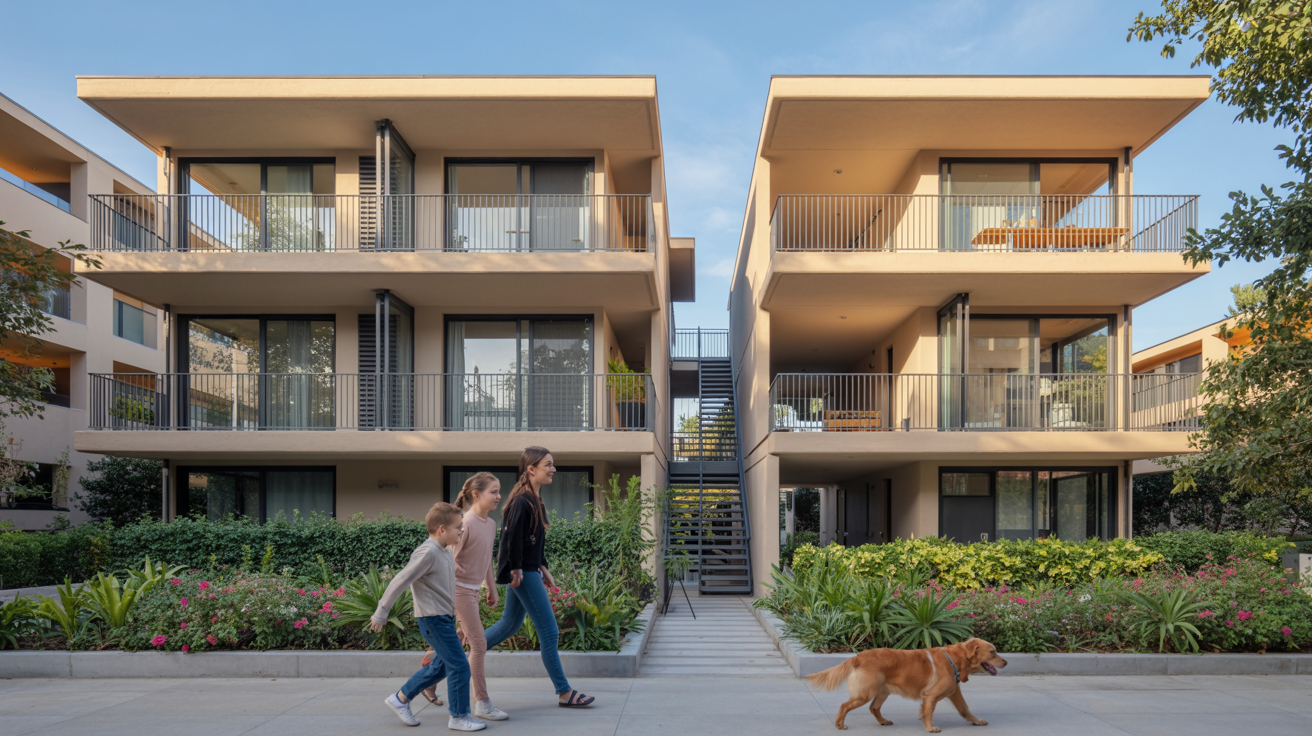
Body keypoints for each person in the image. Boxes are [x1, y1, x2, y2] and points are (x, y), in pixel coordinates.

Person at [483, 446, 594, 708]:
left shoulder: (534, 499)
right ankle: (564, 692)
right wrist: (517, 569)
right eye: (548, 464)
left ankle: (443, 658)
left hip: (528, 570)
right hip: (522, 573)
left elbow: (531, 540)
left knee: (508, 626)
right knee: (549, 631)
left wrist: (542, 566)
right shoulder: (522, 500)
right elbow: (510, 539)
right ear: (531, 469)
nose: (553, 469)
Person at [372, 501, 485, 731]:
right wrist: (381, 612)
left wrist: (459, 620)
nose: (461, 531)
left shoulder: (444, 550)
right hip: (433, 619)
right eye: (458, 528)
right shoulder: (427, 552)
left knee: (442, 666)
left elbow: (444, 590)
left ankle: (400, 698)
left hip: (443, 618)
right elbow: (400, 580)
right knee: (460, 666)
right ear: (442, 529)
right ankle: (459, 717)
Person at [418, 472, 508, 720]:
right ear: (476, 495)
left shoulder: (490, 524)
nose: (499, 496)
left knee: (456, 643)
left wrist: (491, 587)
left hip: (472, 591)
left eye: (499, 491)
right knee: (478, 644)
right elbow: (449, 561)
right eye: (493, 491)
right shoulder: (465, 522)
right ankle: (482, 703)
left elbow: (487, 559)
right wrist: (447, 597)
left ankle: (429, 679)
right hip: (457, 591)